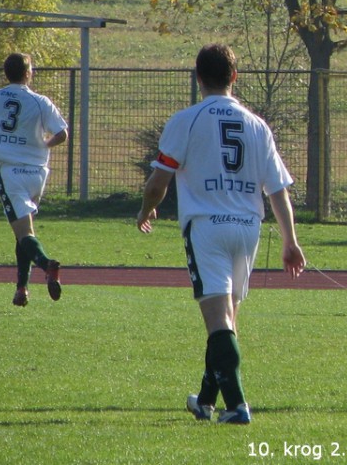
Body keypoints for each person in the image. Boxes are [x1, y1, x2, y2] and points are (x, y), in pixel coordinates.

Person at [136, 43, 306, 424]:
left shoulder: (187, 119)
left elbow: (157, 183)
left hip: (207, 227)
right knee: (227, 318)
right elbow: (277, 189)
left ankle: (238, 406)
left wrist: (146, 210)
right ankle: (206, 400)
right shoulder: (257, 124)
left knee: (218, 321)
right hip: (248, 229)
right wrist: (290, 240)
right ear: (234, 77)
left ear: (198, 78)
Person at [0, 53, 68, 307]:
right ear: (27, 73)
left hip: (10, 174)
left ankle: (47, 266)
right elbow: (62, 133)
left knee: (24, 234)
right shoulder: (39, 101)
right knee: (23, 232)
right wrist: (45, 143)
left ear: (6, 72)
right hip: (37, 173)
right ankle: (21, 289)